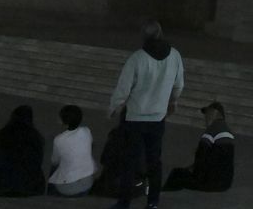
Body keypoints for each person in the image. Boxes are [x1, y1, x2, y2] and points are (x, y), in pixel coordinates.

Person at [108, 19, 185, 209]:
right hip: (158, 117)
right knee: (154, 161)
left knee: (130, 161)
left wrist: (114, 107)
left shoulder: (138, 58)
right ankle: (153, 201)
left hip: (135, 117)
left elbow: (123, 87)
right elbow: (179, 83)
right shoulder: (174, 55)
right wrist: (173, 101)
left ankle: (124, 202)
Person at [0, 104, 45, 197]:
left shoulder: (3, 134)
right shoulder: (35, 138)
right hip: (26, 185)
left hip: (1, 182)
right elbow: (38, 162)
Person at [163, 101, 234, 192]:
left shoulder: (212, 131)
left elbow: (201, 156)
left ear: (215, 113)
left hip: (211, 182)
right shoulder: (227, 130)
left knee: (177, 173)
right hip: (225, 182)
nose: (206, 117)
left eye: (208, 114)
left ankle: (164, 192)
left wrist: (193, 171)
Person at [92, 111, 146, 200]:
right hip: (134, 189)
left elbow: (104, 159)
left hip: (112, 186)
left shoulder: (116, 135)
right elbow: (143, 168)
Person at [47, 105, 98, 196]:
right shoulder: (86, 131)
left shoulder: (59, 139)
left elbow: (55, 161)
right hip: (87, 183)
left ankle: (50, 194)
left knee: (54, 168)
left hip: (67, 187)